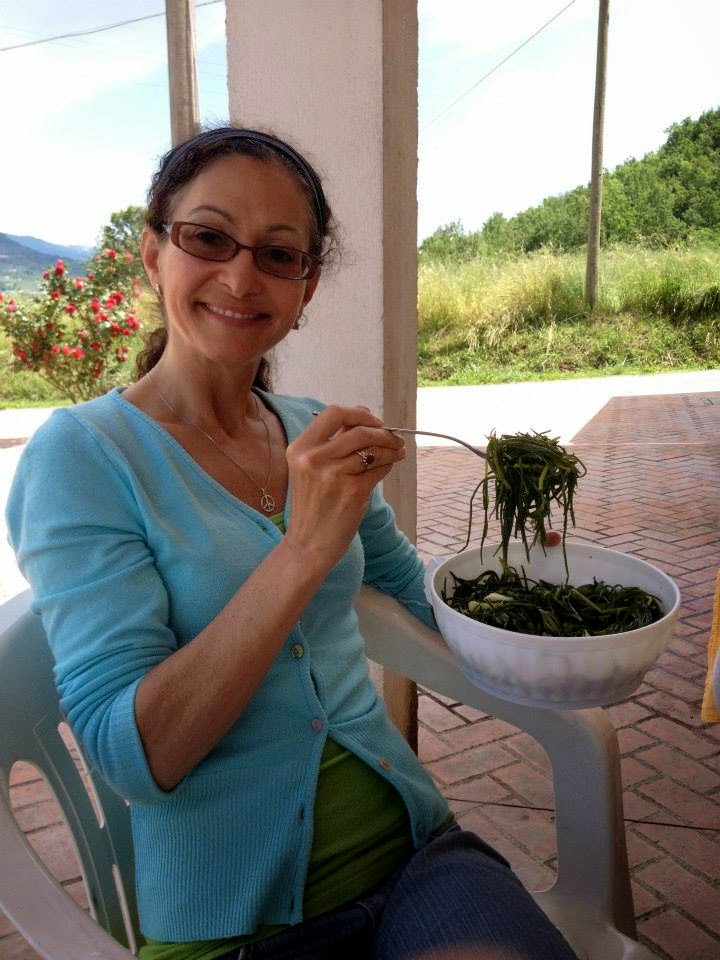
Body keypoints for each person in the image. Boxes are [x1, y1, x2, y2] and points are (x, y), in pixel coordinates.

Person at [6, 127, 578, 960]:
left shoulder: (312, 430)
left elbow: (417, 595)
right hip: (231, 923)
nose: (242, 278)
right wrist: (302, 549)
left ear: (305, 288)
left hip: (417, 856)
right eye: (208, 238)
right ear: (153, 255)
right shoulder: (82, 458)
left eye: (279, 255)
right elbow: (135, 759)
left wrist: (541, 601)